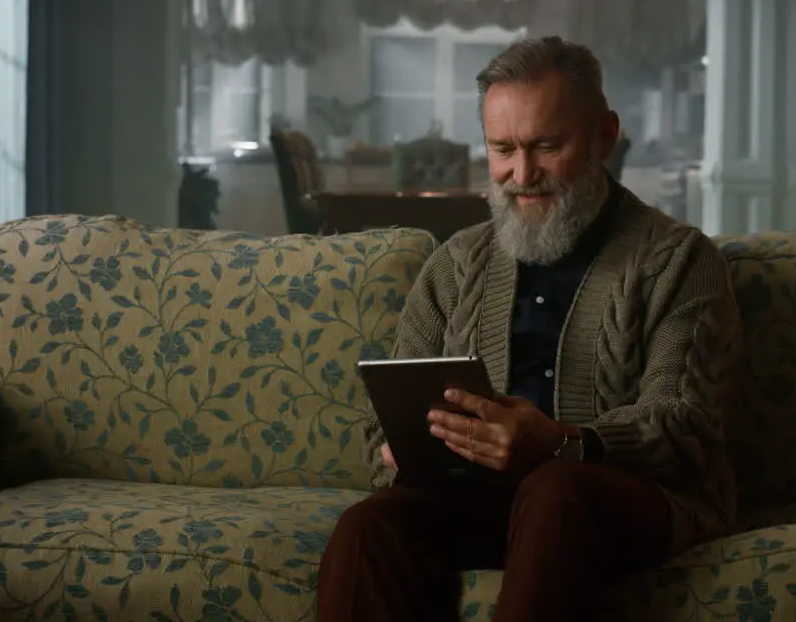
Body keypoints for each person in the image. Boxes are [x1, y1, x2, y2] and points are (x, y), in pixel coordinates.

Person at [317, 36, 744, 622]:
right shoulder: (455, 264)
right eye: (503, 149)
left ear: (605, 134)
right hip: (475, 500)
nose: (522, 174)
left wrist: (561, 442)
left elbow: (684, 425)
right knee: (370, 527)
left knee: (555, 490)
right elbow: (379, 425)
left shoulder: (678, 260)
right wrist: (398, 448)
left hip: (627, 499)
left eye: (547, 145)